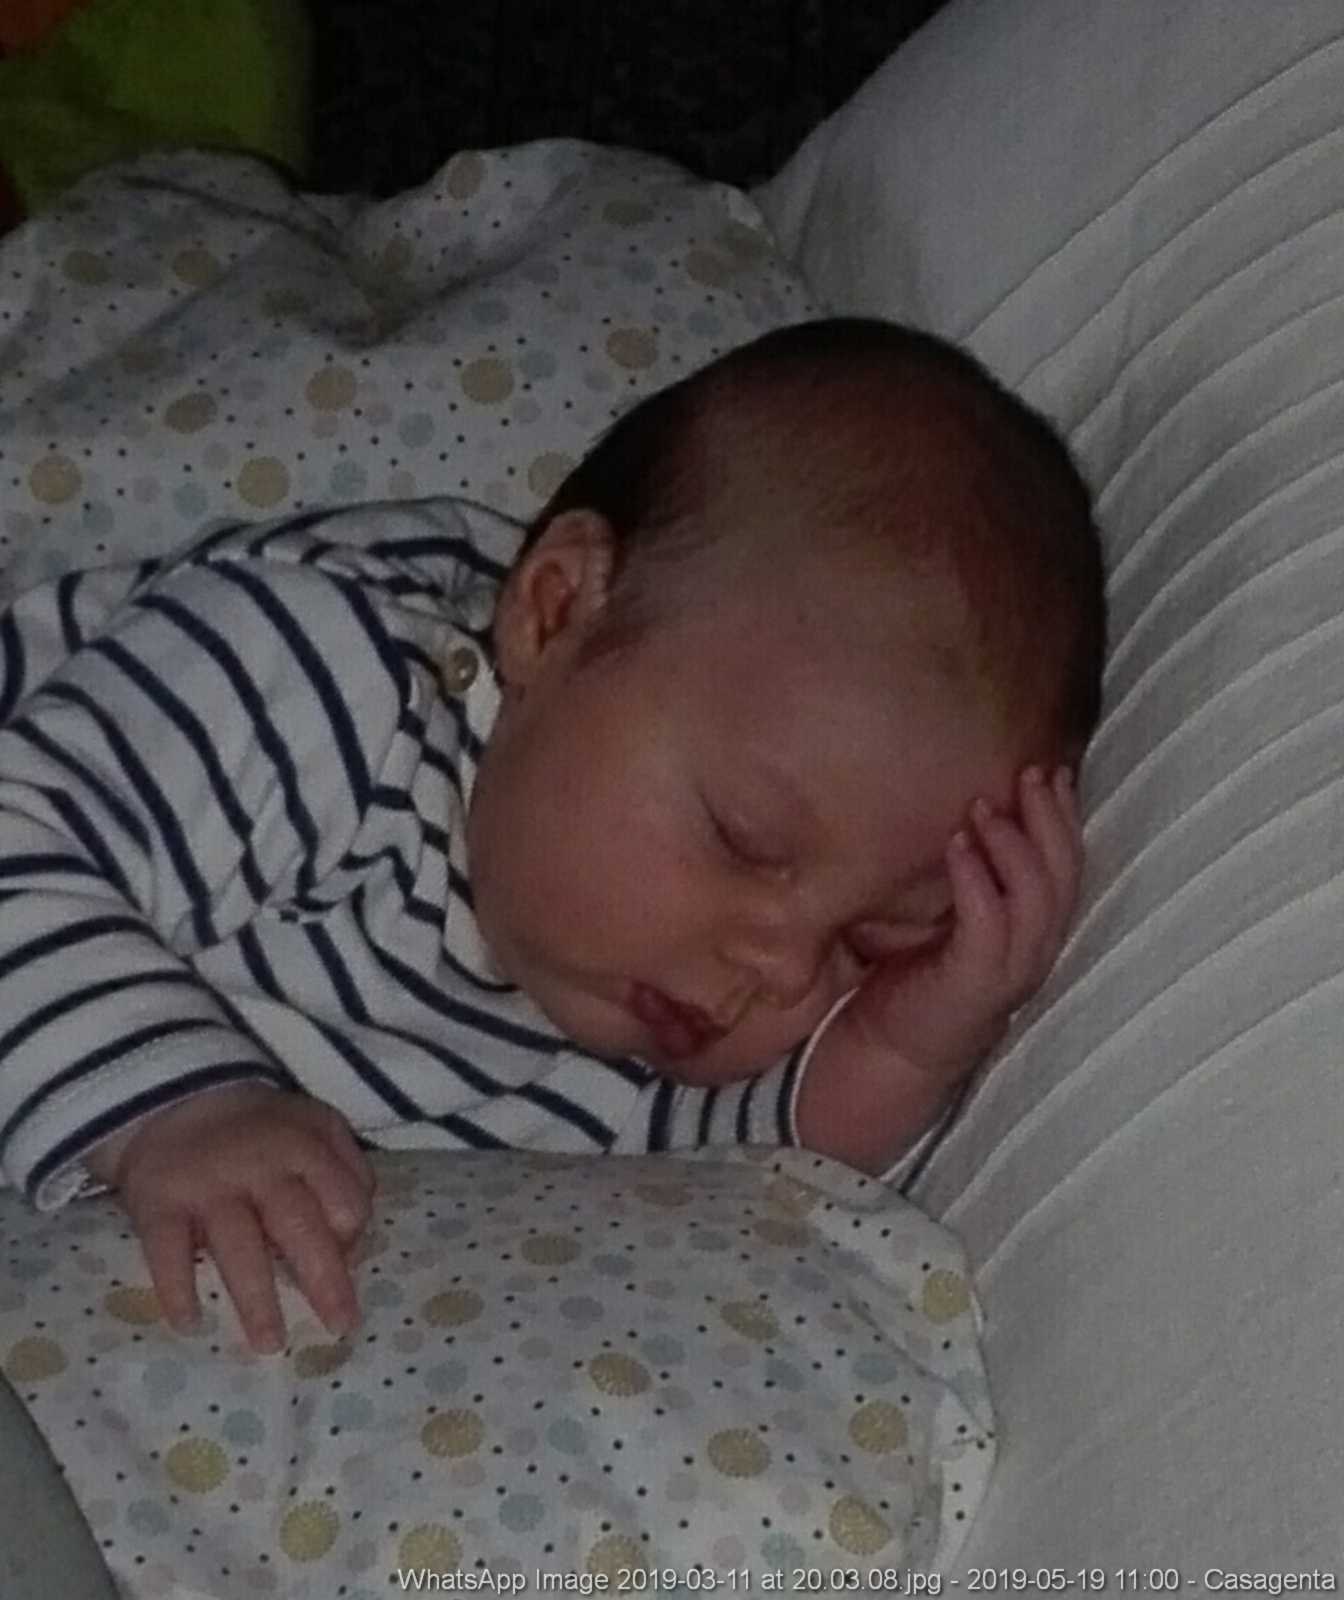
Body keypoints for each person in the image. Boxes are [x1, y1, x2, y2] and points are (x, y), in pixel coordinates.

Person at [0, 318, 1104, 1353]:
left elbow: (747, 1164)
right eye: (744, 838)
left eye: (862, 944)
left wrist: (908, 1044)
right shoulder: (330, 690)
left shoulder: (624, 1024)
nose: (778, 968)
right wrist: (174, 1108)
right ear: (555, 612)